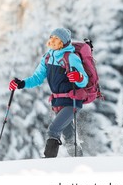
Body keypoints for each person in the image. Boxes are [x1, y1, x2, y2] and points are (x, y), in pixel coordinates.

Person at [9, 28, 88, 158]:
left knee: (53, 130)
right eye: (51, 37)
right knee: (69, 138)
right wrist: (21, 83)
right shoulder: (47, 57)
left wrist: (78, 77)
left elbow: (84, 81)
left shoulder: (71, 58)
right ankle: (78, 160)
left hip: (72, 102)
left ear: (62, 42)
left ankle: (48, 163)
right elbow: (37, 78)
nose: (52, 40)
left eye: (56, 38)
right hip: (58, 103)